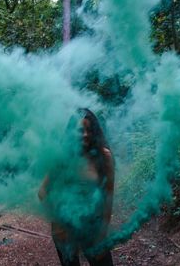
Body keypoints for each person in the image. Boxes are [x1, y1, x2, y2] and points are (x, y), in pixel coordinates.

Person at [38, 108, 114, 266]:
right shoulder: (63, 157)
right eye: (80, 130)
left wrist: (102, 232)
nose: (85, 134)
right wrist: (58, 221)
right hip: (65, 230)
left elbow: (108, 196)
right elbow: (42, 192)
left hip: (93, 227)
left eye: (89, 130)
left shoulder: (104, 156)